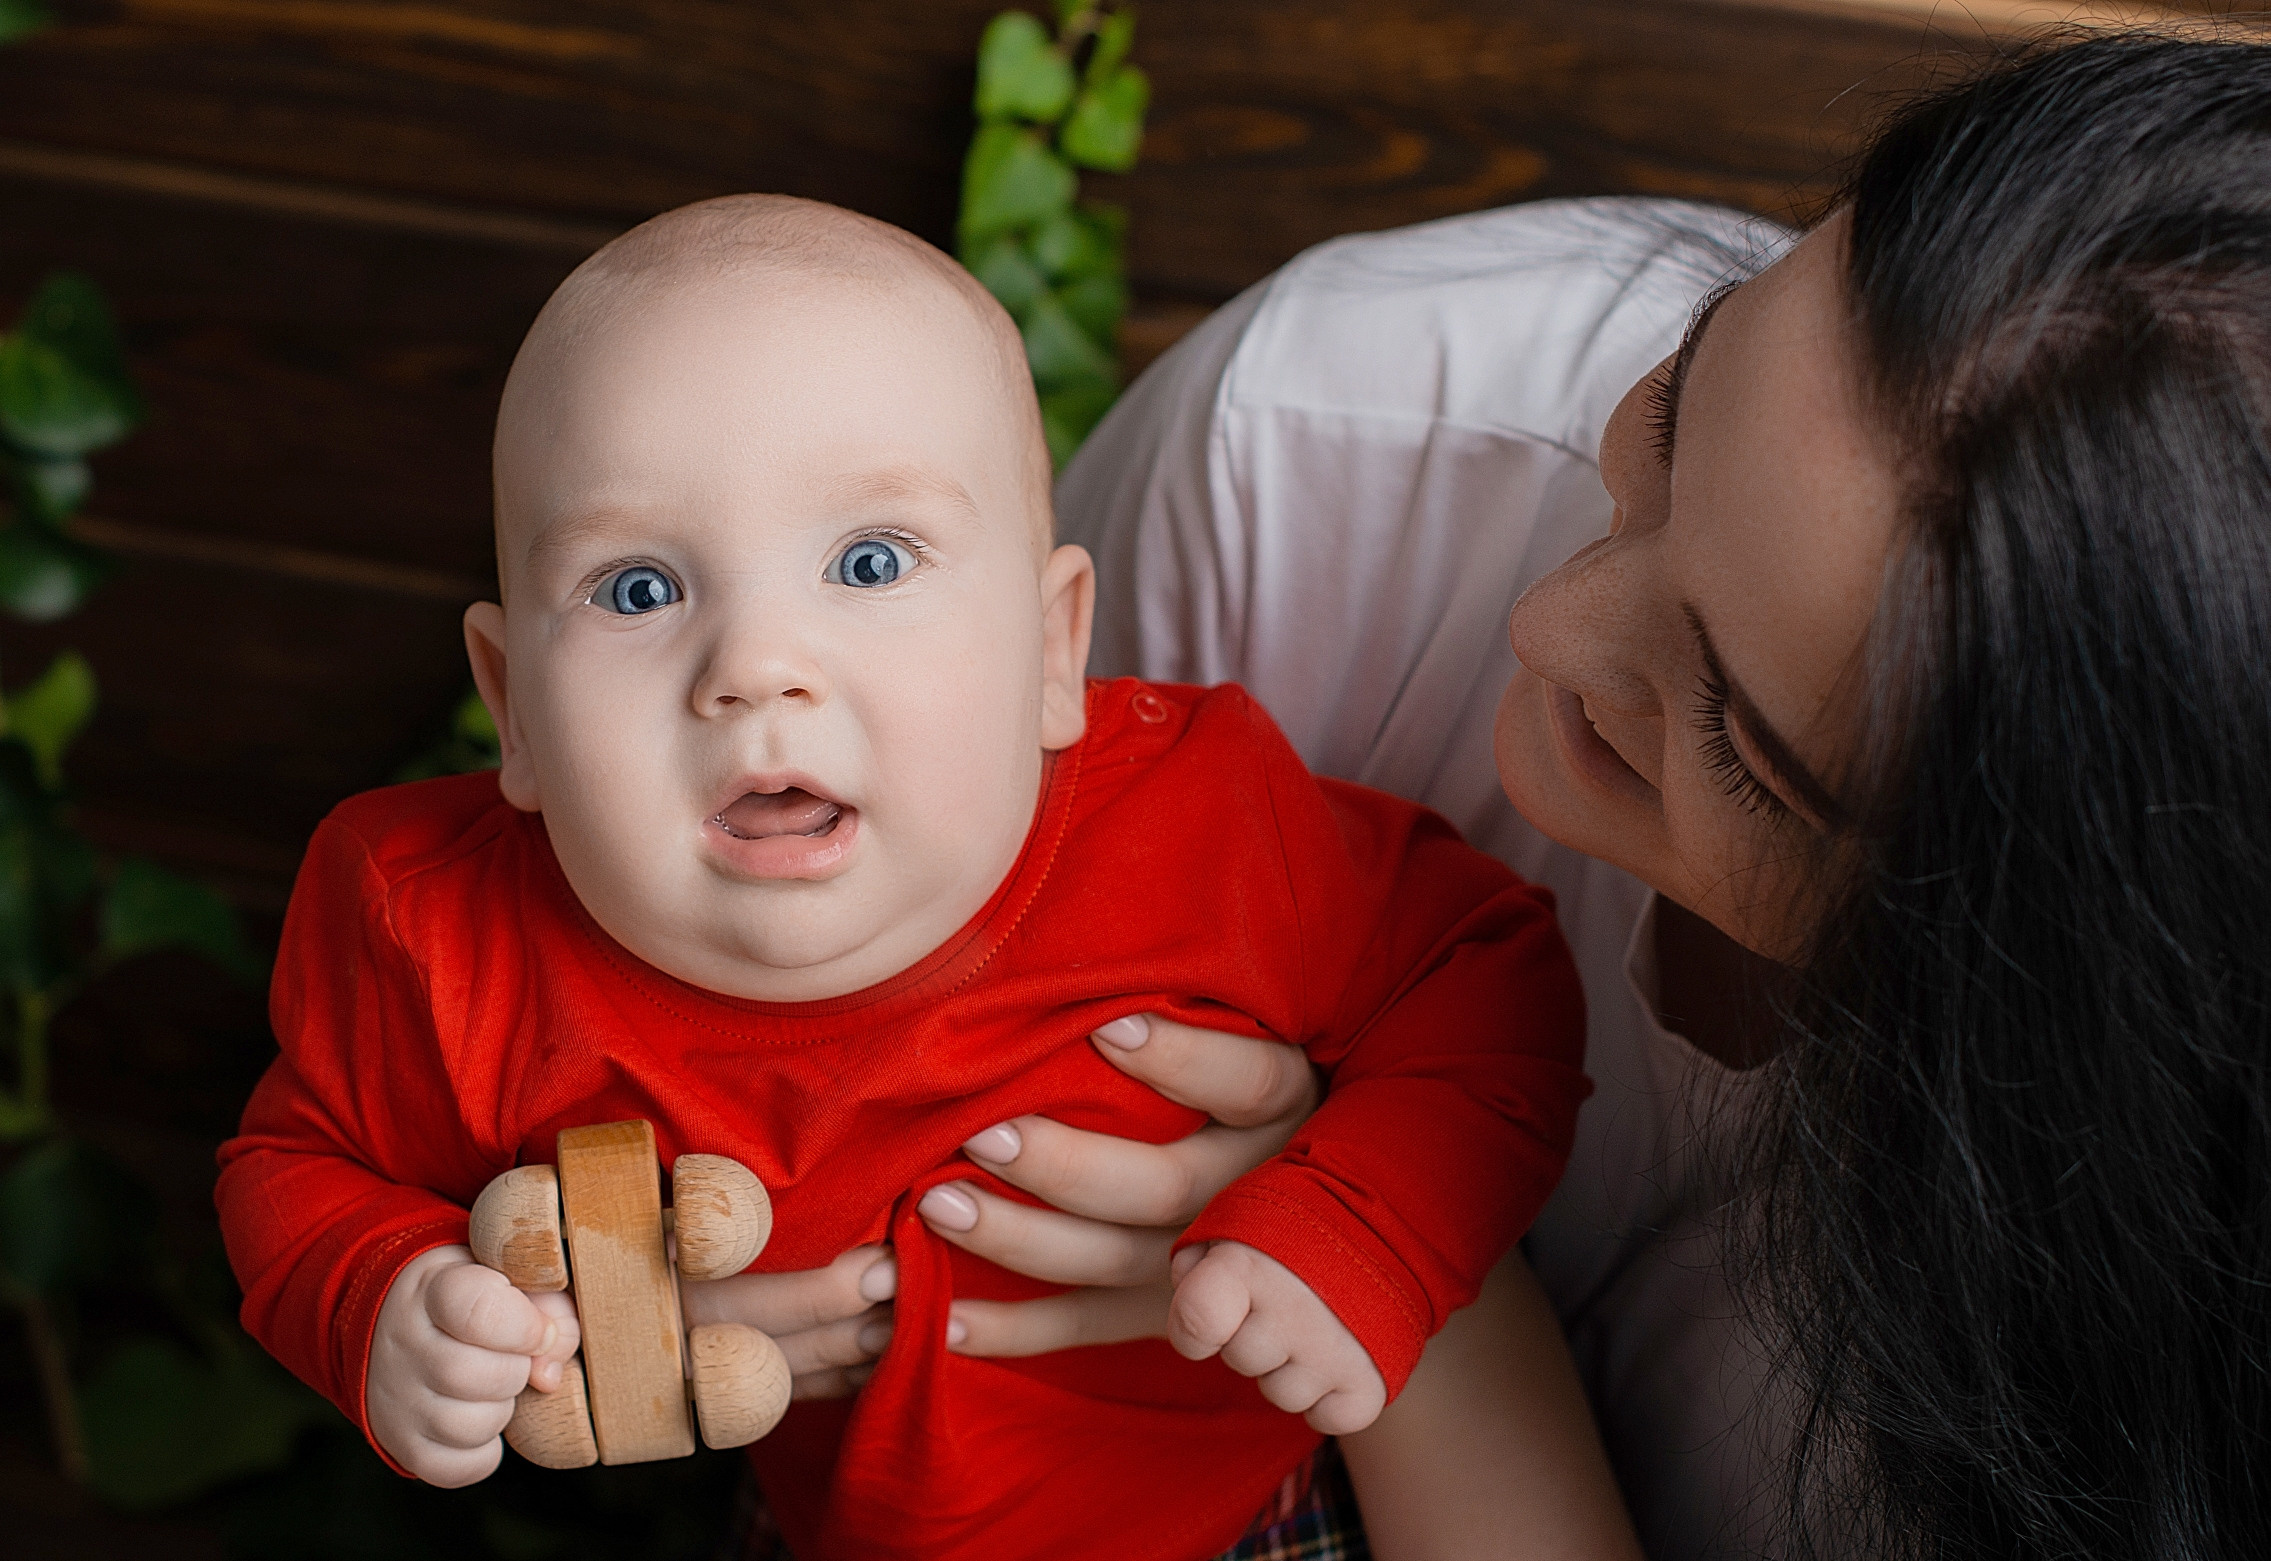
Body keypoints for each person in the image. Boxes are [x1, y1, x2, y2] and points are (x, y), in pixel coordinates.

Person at [678, 34, 2271, 1561]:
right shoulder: (1319, 442)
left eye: (1735, 737)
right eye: (1674, 409)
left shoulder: (2140, 1377)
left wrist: (1393, 1236)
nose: (1547, 623)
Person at [213, 195, 1620, 1561]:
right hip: (828, 1513)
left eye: (871, 560)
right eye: (640, 589)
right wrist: (386, 1297)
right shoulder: (442, 932)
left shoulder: (1208, 827)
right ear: (513, 707)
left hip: (1252, 1501)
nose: (757, 666)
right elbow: (298, 1164)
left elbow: (1483, 978)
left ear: (1053, 651)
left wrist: (1360, 1215)